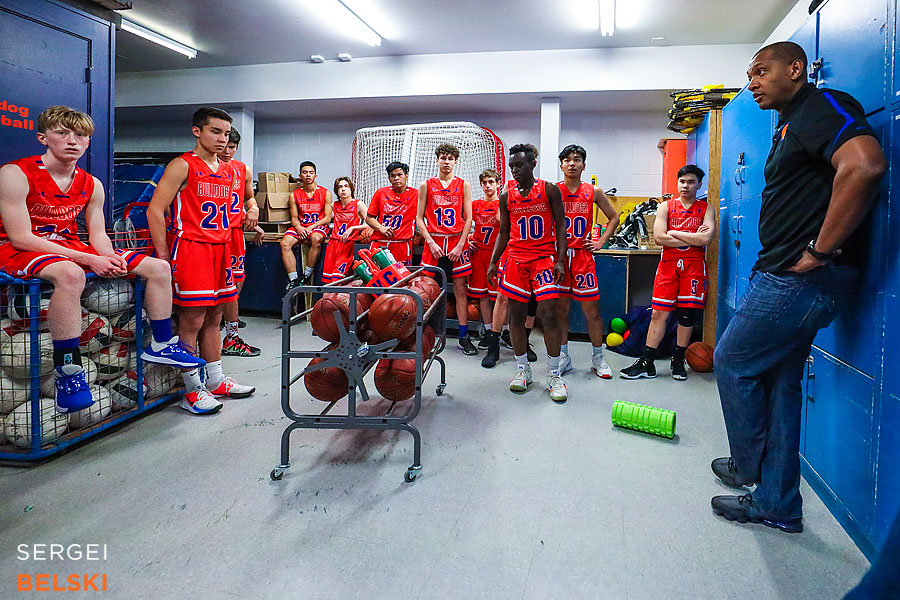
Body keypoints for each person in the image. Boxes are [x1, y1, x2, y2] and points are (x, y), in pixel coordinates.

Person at [711, 41, 886, 531]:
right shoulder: (788, 124)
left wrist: (820, 251)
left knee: (733, 361)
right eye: (750, 75)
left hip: (798, 279)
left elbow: (865, 165)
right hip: (788, 275)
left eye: (762, 72)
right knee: (780, 384)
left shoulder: (822, 106)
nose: (753, 83)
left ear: (797, 68)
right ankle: (778, 503)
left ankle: (749, 469)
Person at [0, 105, 204, 414]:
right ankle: (67, 372)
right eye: (62, 133)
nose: (72, 140)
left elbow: (97, 235)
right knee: (71, 275)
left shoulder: (91, 184)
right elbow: (21, 237)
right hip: (18, 248)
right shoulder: (15, 173)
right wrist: (88, 259)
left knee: (158, 267)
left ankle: (162, 344)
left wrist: (109, 257)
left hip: (68, 244)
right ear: (43, 137)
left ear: (88, 142)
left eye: (80, 135)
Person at [148, 107, 256, 415]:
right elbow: (155, 210)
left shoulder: (228, 170)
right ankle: (192, 390)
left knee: (215, 318)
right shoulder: (182, 165)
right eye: (215, 132)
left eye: (226, 133)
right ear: (197, 131)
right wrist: (164, 256)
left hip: (221, 249)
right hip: (192, 248)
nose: (222, 139)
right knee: (192, 321)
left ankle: (217, 379)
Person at [487, 143, 568, 402]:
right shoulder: (506, 195)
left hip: (543, 259)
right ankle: (523, 370)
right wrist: (492, 262)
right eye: (511, 166)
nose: (514, 170)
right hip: (515, 260)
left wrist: (560, 260)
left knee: (549, 313)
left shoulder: (549, 189)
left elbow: (561, 228)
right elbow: (503, 232)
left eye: (519, 165)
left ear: (533, 164)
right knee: (516, 316)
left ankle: (554, 374)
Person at [620, 164, 715, 380]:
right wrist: (691, 235)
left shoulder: (706, 208)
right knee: (658, 313)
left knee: (686, 314)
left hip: (694, 266)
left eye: (691, 182)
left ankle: (678, 360)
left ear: (699, 185)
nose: (686, 185)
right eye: (682, 181)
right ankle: (647, 362)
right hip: (669, 265)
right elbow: (660, 238)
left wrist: (675, 232)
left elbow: (706, 239)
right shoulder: (666, 206)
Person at [556, 144, 618, 379]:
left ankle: (598, 357)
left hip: (582, 257)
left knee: (591, 311)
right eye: (567, 160)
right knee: (561, 310)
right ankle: (563, 356)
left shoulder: (593, 191)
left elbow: (613, 217)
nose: (572, 163)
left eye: (577, 159)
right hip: (560, 258)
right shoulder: (553, 190)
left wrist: (601, 240)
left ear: (584, 165)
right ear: (561, 165)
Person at [417, 144, 475, 355]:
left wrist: (461, 244)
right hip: (433, 244)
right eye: (443, 157)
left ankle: (463, 336)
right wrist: (430, 242)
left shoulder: (463, 185)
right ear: (437, 159)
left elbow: (468, 218)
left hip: (455, 243)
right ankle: (426, 335)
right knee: (428, 292)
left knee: (460, 292)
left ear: (456, 161)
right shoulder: (426, 185)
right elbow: (419, 218)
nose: (447, 161)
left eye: (450, 158)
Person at [217, 127, 261, 357]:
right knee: (216, 286)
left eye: (232, 146)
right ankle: (219, 333)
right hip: (213, 234)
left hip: (235, 233)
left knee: (235, 282)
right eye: (224, 145)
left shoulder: (242, 169)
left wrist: (252, 209)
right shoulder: (205, 168)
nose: (227, 151)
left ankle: (230, 335)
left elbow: (248, 197)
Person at [281, 161, 333, 291]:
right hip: (302, 226)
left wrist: (311, 227)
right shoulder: (294, 195)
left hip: (318, 226)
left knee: (316, 239)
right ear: (300, 175)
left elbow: (327, 217)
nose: (308, 175)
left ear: (315, 176)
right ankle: (294, 280)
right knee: (284, 243)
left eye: (311, 173)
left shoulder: (325, 193)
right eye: (305, 173)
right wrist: (298, 227)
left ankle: (306, 275)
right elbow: (293, 218)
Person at [469, 169, 501, 358]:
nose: (488, 186)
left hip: (497, 255)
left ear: (498, 183)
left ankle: (503, 331)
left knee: (501, 297)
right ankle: (489, 331)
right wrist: (469, 240)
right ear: (481, 185)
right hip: (480, 254)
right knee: (482, 296)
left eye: (491, 182)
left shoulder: (503, 204)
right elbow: (463, 224)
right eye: (484, 182)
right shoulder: (475, 205)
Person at [365, 161, 418, 266]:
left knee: (401, 279)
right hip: (380, 243)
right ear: (389, 179)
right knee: (376, 278)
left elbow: (423, 217)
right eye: (392, 176)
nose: (396, 178)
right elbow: (369, 218)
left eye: (399, 175)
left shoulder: (416, 194)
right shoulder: (380, 193)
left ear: (406, 176)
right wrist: (381, 228)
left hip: (402, 244)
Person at [322, 176, 366, 283]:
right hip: (333, 244)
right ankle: (327, 300)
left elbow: (371, 224)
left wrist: (353, 228)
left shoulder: (358, 204)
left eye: (346, 186)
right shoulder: (334, 205)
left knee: (338, 280)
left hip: (348, 244)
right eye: (340, 187)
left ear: (351, 189)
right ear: (336, 191)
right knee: (328, 281)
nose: (343, 189)